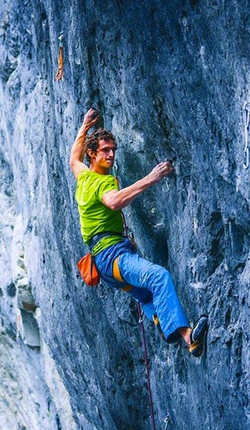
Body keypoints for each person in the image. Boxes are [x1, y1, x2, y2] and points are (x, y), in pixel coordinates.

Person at [69, 108, 208, 356]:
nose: (111, 154)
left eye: (113, 150)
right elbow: (113, 202)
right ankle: (187, 337)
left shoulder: (83, 177)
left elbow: (73, 158)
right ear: (93, 153)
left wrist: (84, 126)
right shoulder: (101, 182)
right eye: (105, 150)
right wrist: (152, 177)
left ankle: (165, 324)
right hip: (113, 256)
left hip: (104, 266)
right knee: (158, 277)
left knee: (145, 296)